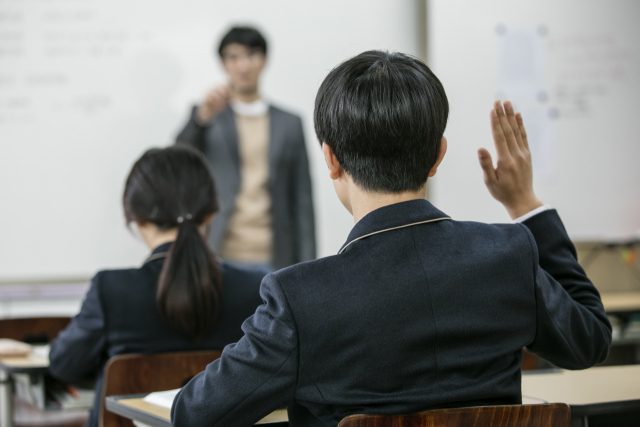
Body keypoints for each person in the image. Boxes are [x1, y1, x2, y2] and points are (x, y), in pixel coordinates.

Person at [171, 51, 612, 427]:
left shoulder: (301, 298)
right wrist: (526, 206)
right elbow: (589, 340)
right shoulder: (508, 255)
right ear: (438, 155)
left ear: (331, 160)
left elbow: (195, 414)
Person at [48, 145, 266, 427]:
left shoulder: (111, 290)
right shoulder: (255, 287)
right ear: (211, 213)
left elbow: (64, 365)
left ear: (137, 219)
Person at [176, 26, 316, 271]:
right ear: (223, 63)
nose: (243, 65)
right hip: (218, 251)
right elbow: (179, 160)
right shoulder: (209, 117)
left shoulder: (289, 123)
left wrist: (308, 265)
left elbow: (302, 198)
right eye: (233, 57)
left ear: (264, 60)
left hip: (275, 255)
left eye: (251, 55)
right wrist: (201, 119)